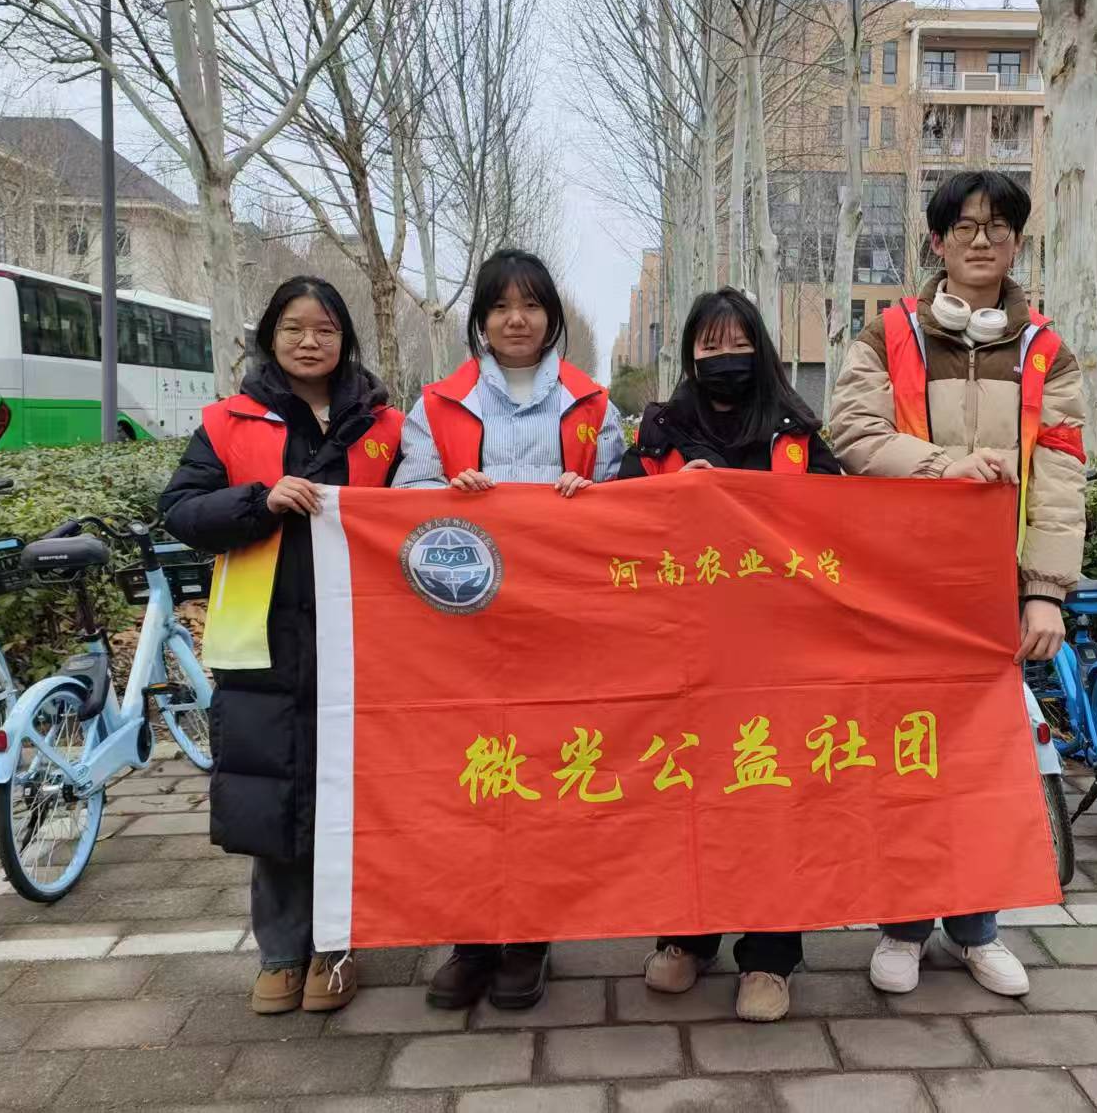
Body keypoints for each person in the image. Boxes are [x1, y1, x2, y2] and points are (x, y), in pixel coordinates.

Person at [827, 169, 1087, 1001]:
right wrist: (945, 465)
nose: (982, 240)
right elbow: (851, 431)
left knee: (983, 766)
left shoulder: (1046, 350)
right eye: (965, 226)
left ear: (1017, 242)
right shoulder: (888, 335)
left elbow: (1062, 474)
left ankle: (978, 928)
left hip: (992, 598)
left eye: (998, 227)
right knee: (905, 761)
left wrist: (1045, 589)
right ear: (937, 241)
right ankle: (902, 924)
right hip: (901, 592)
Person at [161, 276, 404, 1015]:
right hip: (263, 639)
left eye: (325, 328)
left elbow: (419, 511)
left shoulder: (387, 426)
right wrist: (259, 502)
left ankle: (337, 946)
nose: (309, 341)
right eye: (294, 327)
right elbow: (181, 509)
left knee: (347, 793)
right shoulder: (229, 422)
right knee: (274, 793)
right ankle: (280, 951)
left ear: (345, 339)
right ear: (269, 335)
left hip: (362, 640)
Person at [395, 246, 625, 1011]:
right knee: (469, 780)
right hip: (462, 631)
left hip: (560, 632)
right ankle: (470, 938)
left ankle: (527, 936)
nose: (516, 319)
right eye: (500, 306)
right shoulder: (439, 404)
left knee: (542, 780)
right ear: (481, 320)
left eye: (530, 305)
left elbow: (627, 506)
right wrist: (444, 493)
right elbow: (403, 500)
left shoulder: (593, 405)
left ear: (551, 317)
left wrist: (592, 497)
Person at [619, 286, 840, 1024]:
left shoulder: (798, 434)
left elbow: (847, 520)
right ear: (689, 354)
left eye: (738, 344)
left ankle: (770, 954)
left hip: (779, 655)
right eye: (709, 345)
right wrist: (670, 496)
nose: (725, 357)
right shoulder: (660, 435)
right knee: (687, 796)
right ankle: (687, 935)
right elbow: (615, 521)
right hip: (683, 657)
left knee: (771, 800)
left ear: (761, 349)